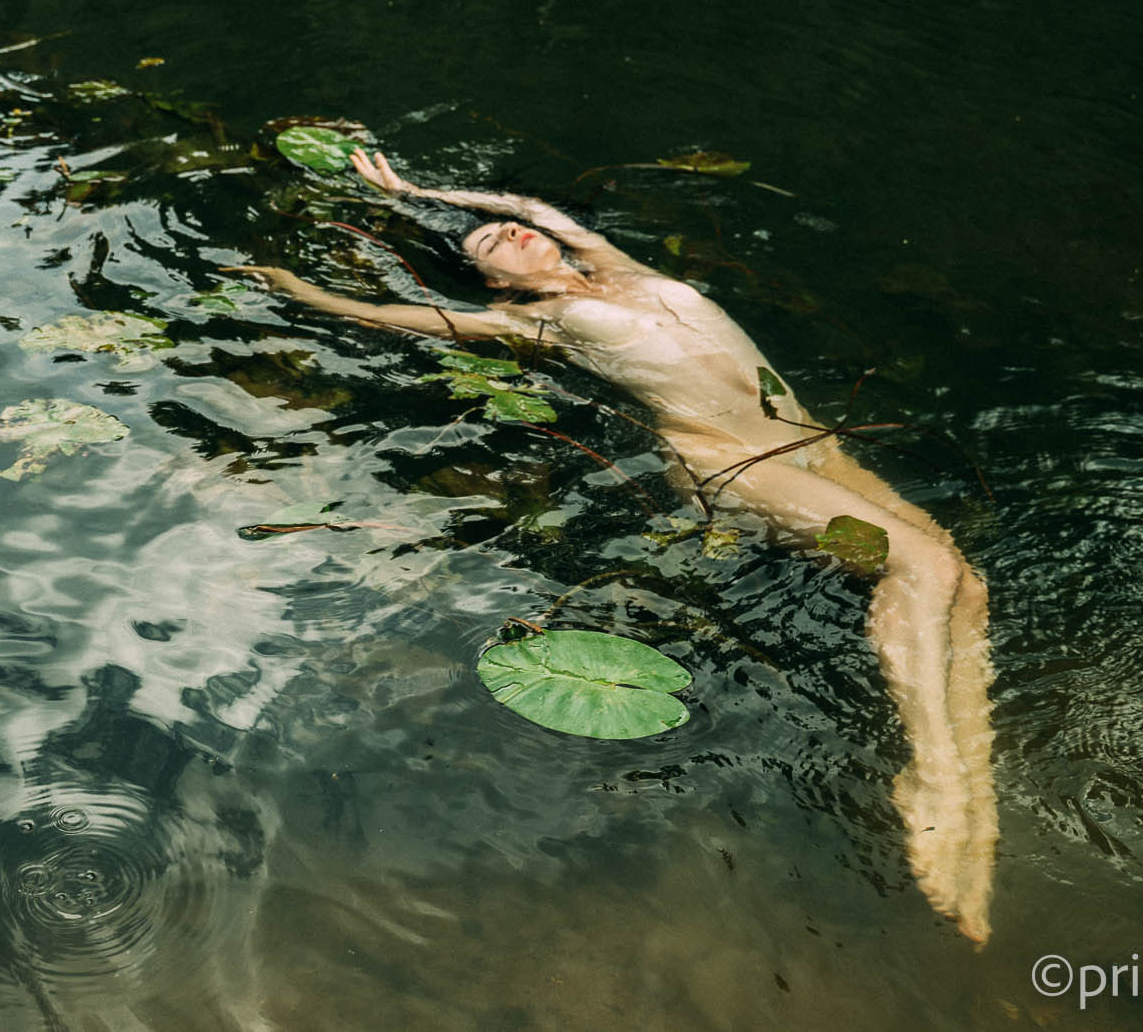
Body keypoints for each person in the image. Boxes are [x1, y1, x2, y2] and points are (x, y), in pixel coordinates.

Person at [230, 149, 996, 943]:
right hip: (732, 460)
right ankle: (933, 772)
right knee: (923, 565)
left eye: (508, 227)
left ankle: (976, 788)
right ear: (495, 284)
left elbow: (534, 207)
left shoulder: (615, 267)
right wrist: (301, 290)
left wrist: (417, 190)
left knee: (965, 584)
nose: (511, 233)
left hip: (812, 442)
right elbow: (396, 316)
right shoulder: (536, 320)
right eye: (492, 244)